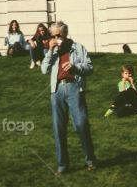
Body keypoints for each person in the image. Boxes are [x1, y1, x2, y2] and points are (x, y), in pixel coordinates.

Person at [41, 20, 96, 174]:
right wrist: (50, 51)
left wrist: (75, 67)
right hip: (56, 90)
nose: (56, 38)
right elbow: (44, 69)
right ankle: (62, 165)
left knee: (81, 124)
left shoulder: (78, 48)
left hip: (74, 87)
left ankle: (90, 160)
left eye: (59, 35)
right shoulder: (52, 50)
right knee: (58, 128)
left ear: (65, 34)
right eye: (53, 36)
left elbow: (90, 67)